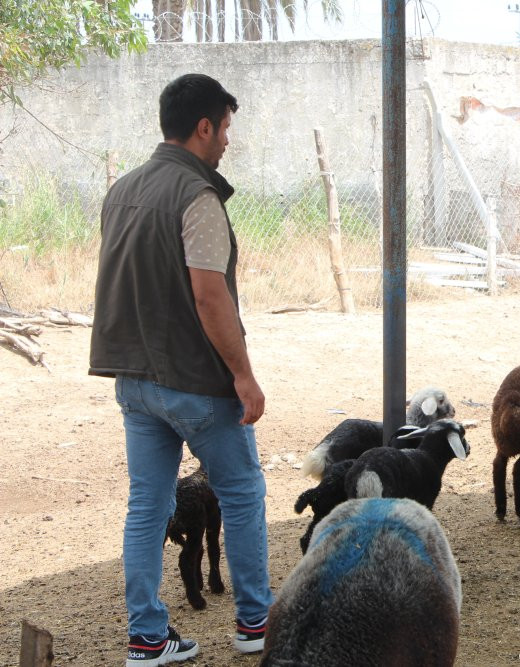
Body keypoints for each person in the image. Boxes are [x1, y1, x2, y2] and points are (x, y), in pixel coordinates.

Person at [89, 73, 273, 666]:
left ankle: (146, 636)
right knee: (242, 494)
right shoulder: (199, 197)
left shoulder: (119, 191)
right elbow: (209, 297)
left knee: (148, 505)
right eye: (224, 129)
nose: (227, 141)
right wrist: (243, 376)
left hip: (133, 382)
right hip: (195, 384)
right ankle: (254, 625)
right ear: (203, 127)